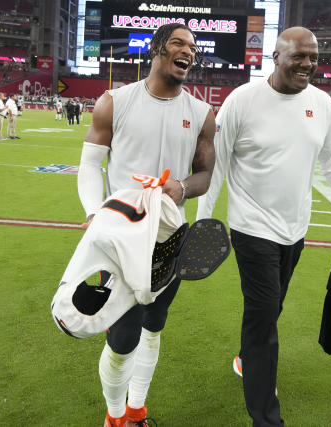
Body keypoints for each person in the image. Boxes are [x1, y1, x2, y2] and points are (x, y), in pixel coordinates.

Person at [196, 27, 331, 427]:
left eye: (313, 57)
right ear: (275, 57)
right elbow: (216, 164)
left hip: (295, 230)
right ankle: (265, 414)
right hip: (251, 227)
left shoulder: (322, 103)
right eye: (298, 56)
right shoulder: (242, 100)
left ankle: (246, 360)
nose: (308, 64)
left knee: (272, 307)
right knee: (262, 317)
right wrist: (204, 223)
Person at [76, 23, 215, 427]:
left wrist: (182, 187)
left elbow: (205, 174)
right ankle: (115, 416)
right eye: (178, 42)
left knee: (154, 326)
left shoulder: (202, 113)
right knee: (122, 338)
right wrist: (92, 211)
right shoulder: (114, 101)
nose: (187, 50)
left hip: (171, 239)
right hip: (121, 238)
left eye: (192, 46)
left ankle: (136, 410)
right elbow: (89, 164)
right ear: (157, 48)